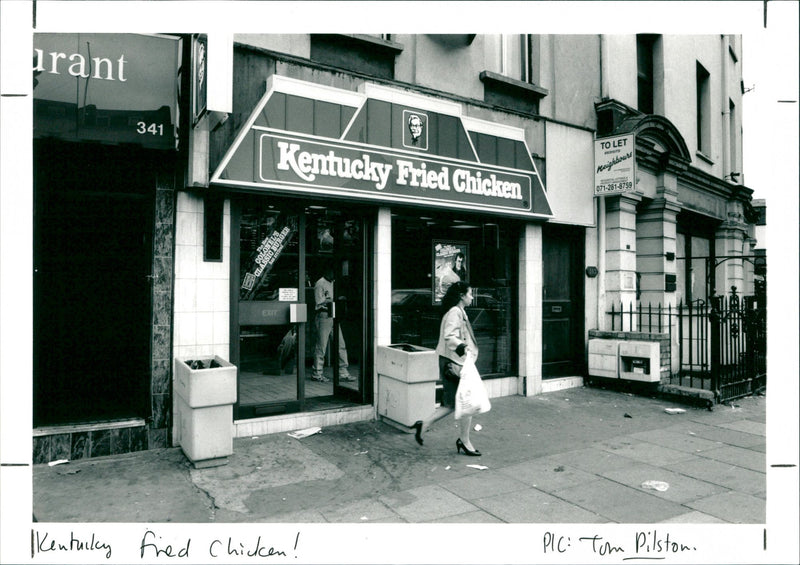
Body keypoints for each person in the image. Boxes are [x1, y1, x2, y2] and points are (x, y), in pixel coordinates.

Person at [413, 281, 481, 456]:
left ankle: (424, 424)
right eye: (470, 293)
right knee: (468, 402)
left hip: (452, 361)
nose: (472, 296)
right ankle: (464, 441)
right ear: (462, 296)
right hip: (453, 363)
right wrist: (463, 348)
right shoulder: (455, 312)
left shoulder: (459, 311)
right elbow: (449, 336)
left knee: (451, 404)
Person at [312, 266, 354, 382]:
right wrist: (334, 299)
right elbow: (319, 302)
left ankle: (343, 372)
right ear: (327, 271)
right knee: (321, 346)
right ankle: (317, 373)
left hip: (334, 315)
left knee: (341, 344)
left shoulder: (334, 282)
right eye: (332, 271)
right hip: (324, 315)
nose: (334, 274)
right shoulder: (320, 283)